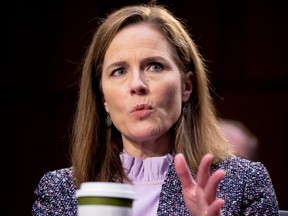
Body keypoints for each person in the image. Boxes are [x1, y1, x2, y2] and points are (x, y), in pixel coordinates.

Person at [32, 3, 279, 215]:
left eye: (154, 67)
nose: (137, 85)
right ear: (103, 98)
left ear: (187, 86)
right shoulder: (61, 192)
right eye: (119, 71)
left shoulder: (243, 182)